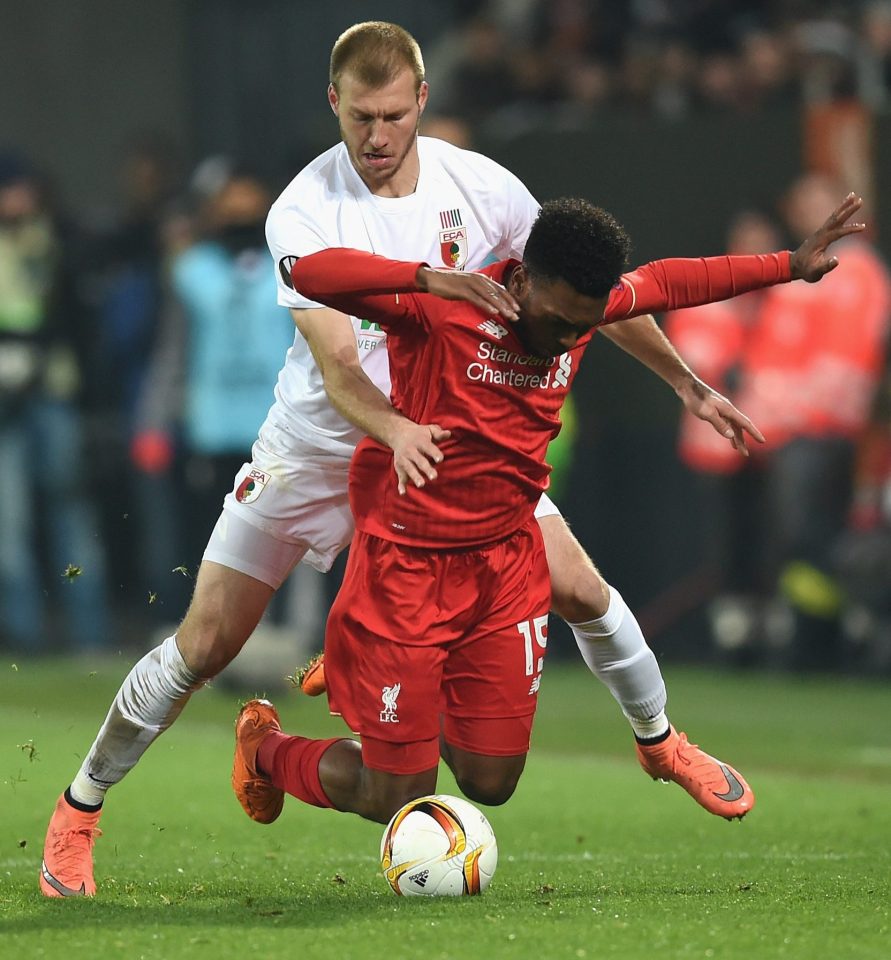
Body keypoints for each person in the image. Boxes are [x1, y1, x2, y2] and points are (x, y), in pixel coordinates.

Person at [34, 20, 834, 897]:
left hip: (456, 449)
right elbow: (338, 362)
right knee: (205, 643)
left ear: (422, 101)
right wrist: (396, 419)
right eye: (358, 119)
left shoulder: (483, 186)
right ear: (333, 104)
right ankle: (80, 807)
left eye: (391, 116)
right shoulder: (303, 208)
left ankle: (658, 740)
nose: (375, 138)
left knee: (582, 591)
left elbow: (597, 285)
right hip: (326, 441)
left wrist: (683, 382)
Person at [231, 192, 863, 829]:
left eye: (582, 326)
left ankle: (392, 680)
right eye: (559, 320)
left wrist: (788, 264)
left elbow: (673, 280)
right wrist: (424, 275)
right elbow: (306, 272)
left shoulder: (583, 308)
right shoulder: (443, 307)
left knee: (491, 782)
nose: (567, 338)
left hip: (504, 563)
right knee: (397, 796)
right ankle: (267, 750)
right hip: (408, 567)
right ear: (524, 277)